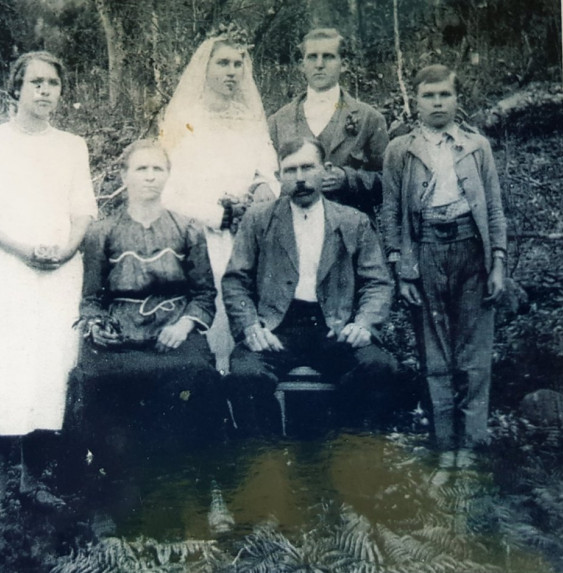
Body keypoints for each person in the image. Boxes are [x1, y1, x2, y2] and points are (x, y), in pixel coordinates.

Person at [0, 52, 98, 520]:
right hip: (4, 273)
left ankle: (32, 482)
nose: (44, 90)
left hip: (56, 276)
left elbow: (83, 212)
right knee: (0, 376)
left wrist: (68, 249)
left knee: (46, 376)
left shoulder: (73, 146)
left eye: (53, 83)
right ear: (15, 87)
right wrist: (22, 249)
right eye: (35, 82)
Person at [222, 137, 398, 434]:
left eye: (308, 167)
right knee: (245, 373)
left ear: (326, 169)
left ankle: (346, 452)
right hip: (277, 328)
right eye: (290, 170)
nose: (300, 178)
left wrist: (364, 323)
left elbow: (377, 283)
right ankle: (268, 463)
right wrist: (251, 326)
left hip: (334, 326)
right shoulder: (259, 219)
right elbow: (236, 281)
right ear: (278, 176)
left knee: (377, 367)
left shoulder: (353, 221)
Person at [381, 65, 506, 478]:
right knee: (435, 356)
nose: (437, 103)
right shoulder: (401, 150)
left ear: (456, 99)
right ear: (415, 102)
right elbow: (392, 214)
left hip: (472, 249)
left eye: (444, 95)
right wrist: (403, 271)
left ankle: (471, 447)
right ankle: (444, 447)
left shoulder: (477, 147)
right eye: (429, 96)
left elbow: (494, 208)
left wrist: (498, 262)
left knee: (473, 355)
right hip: (427, 250)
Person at [70, 139, 219, 468]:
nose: (150, 176)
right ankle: (109, 483)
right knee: (94, 379)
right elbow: (92, 299)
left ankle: (201, 481)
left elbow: (205, 294)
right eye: (141, 169)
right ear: (125, 176)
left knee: (199, 375)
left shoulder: (188, 228)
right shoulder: (101, 232)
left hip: (174, 334)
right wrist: (96, 327)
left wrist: (183, 325)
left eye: (158, 169)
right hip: (121, 338)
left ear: (168, 175)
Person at [159, 27, 280, 373]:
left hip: (247, 234)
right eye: (223, 63)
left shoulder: (251, 119)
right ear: (205, 69)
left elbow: (267, 175)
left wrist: (259, 196)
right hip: (200, 234)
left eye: (238, 64)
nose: (231, 71)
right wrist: (217, 215)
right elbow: (167, 190)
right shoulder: (183, 119)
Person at [267, 28, 388, 215]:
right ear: (301, 65)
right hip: (295, 228)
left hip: (351, 234)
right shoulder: (278, 121)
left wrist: (348, 179)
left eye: (329, 57)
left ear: (344, 64)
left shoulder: (369, 118)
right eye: (312, 57)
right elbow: (270, 181)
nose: (320, 64)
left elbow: (389, 182)